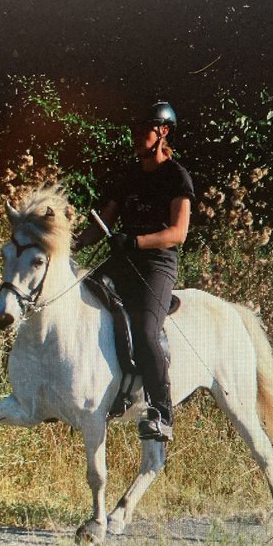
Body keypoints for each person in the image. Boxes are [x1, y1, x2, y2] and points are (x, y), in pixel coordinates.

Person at [75, 101, 194, 442]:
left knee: (144, 329)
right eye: (136, 130)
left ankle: (161, 412)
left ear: (164, 133)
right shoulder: (127, 175)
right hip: (123, 260)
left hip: (156, 264)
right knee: (85, 300)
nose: (138, 136)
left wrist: (137, 241)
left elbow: (178, 233)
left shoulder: (176, 177)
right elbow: (103, 222)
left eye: (146, 130)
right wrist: (75, 243)